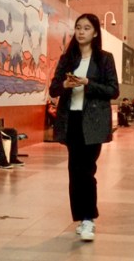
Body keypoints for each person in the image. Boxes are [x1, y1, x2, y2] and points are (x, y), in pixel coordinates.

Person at [48, 14, 119, 242]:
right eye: (78, 27)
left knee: (87, 170)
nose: (81, 32)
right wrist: (65, 85)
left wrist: (88, 83)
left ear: (95, 33)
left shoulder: (104, 59)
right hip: (72, 120)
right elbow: (53, 89)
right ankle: (81, 218)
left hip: (94, 121)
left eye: (86, 28)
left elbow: (113, 91)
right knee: (74, 171)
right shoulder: (67, 59)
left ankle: (89, 218)